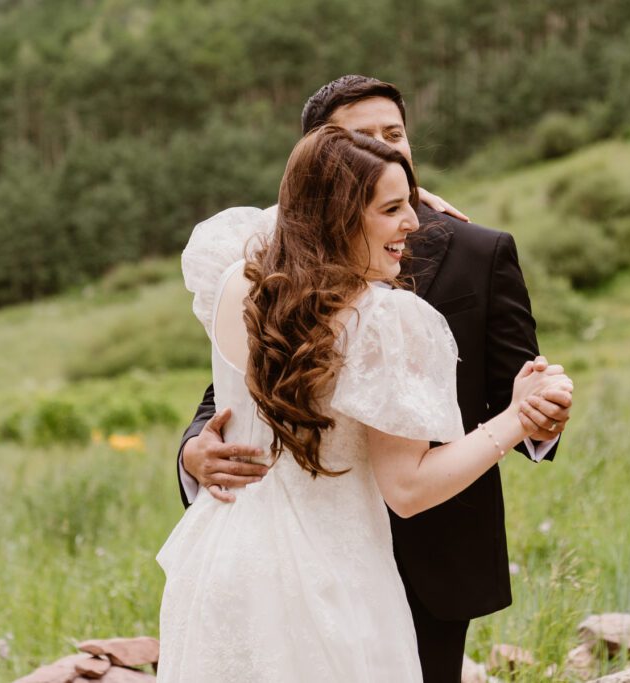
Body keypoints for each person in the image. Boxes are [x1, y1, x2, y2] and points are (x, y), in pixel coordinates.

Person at [175, 76, 574, 682]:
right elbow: (237, 390)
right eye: (360, 142)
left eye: (395, 136)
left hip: (414, 562)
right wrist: (193, 450)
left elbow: (515, 376)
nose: (387, 148)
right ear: (325, 169)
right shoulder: (346, 298)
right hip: (344, 564)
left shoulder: (240, 271)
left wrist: (536, 422)